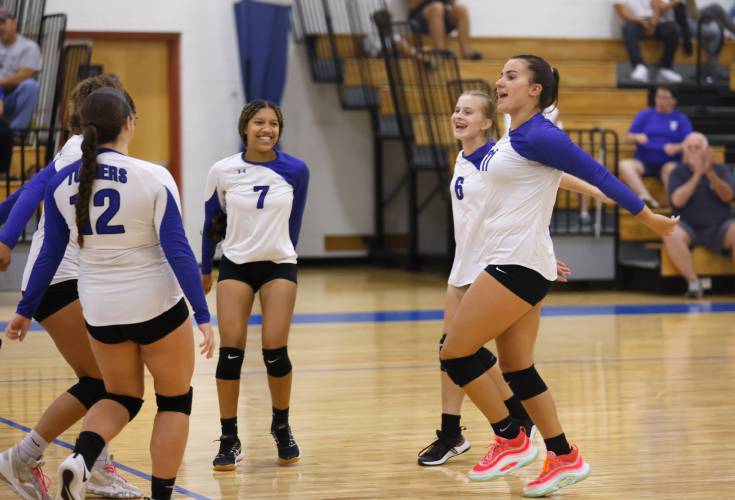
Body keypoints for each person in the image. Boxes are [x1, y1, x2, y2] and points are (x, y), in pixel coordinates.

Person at [437, 55, 677, 497]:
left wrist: (650, 218)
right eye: (501, 74)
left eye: (511, 76)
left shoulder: (542, 135)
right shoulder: (517, 135)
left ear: (535, 89)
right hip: (521, 259)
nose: (499, 81)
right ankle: (564, 456)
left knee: (455, 352)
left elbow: (599, 173)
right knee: (517, 368)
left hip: (516, 262)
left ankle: (510, 438)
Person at [5, 87, 215, 500]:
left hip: (100, 311)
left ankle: (81, 460)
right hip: (155, 305)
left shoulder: (63, 182)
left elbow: (48, 252)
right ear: (129, 125)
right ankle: (158, 495)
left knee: (119, 394)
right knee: (175, 400)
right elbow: (177, 248)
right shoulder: (152, 175)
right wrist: (203, 313)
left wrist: (24, 310)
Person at [417, 90, 615, 467]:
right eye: (457, 110)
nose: (459, 116)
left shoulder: (499, 158)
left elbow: (550, 180)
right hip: (464, 265)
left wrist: (595, 191)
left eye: (469, 111)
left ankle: (506, 428)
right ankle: (461, 430)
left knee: (466, 352)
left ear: (488, 122)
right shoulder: (461, 157)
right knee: (453, 351)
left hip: (495, 265)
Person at [0, 75, 143, 500]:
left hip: (76, 280)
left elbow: (26, 190)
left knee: (103, 381)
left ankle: (92, 467)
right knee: (104, 382)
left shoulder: (81, 152)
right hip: (59, 280)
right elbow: (30, 198)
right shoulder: (79, 151)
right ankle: (24, 457)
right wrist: (6, 239)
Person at [201, 99, 309, 470]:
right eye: (259, 122)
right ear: (245, 127)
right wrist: (204, 269)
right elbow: (210, 221)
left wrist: (286, 252)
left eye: (274, 123)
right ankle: (229, 437)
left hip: (279, 264)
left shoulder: (297, 169)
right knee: (231, 353)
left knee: (275, 350)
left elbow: (295, 222)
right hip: (236, 264)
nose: (267, 129)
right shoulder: (224, 170)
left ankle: (282, 426)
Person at [663, 132, 735, 298]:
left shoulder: (721, 170)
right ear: (685, 152)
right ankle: (693, 283)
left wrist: (709, 173)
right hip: (689, 226)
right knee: (670, 232)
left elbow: (728, 196)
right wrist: (697, 175)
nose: (694, 151)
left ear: (706, 150)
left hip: (720, 226)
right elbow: (677, 201)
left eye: (698, 147)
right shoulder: (678, 172)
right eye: (690, 148)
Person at [619, 85, 693, 208]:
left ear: (673, 101)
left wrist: (677, 147)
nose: (660, 100)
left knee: (670, 169)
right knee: (625, 165)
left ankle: (675, 206)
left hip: (669, 161)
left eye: (664, 97)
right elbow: (628, 137)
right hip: (644, 162)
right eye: (658, 96)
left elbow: (690, 141)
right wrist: (636, 137)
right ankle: (646, 198)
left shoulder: (680, 119)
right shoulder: (645, 115)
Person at [613, 0, 683, 83]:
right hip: (635, 21)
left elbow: (659, 7)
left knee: (673, 29)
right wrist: (642, 21)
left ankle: (666, 68)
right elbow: (625, 15)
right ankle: (639, 66)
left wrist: (653, 24)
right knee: (627, 28)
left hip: (656, 20)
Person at [0, 7, 41, 129]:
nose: (0, 27)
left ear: (14, 23)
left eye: (3, 23)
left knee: (30, 86)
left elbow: (23, 76)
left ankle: (15, 134)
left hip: (12, 96)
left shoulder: (29, 47)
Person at [406, 0, 482, 60]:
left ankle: (467, 52)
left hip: (442, 13)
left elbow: (452, 3)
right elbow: (413, 4)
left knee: (462, 9)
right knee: (437, 8)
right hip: (420, 17)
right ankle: (440, 52)